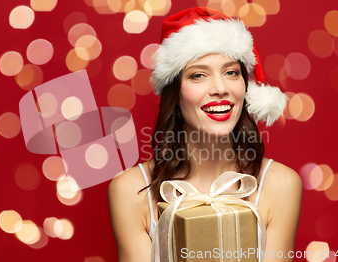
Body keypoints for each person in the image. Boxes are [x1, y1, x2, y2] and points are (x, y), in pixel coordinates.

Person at [108, 7, 302, 262]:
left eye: (231, 72)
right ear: (175, 93)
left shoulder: (280, 184)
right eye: (199, 75)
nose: (220, 88)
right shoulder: (131, 191)